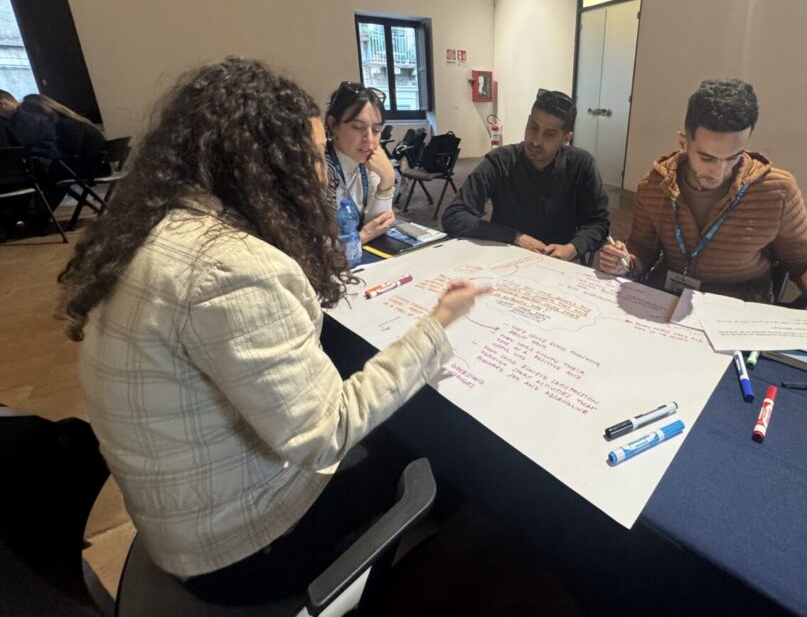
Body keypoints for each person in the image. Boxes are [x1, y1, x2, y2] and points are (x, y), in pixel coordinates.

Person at [57, 58, 489, 605]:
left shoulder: (152, 227)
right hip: (241, 554)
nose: (318, 173)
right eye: (309, 157)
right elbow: (328, 429)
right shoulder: (230, 267)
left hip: (180, 520)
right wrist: (436, 325)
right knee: (432, 453)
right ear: (265, 165)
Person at [597, 78, 807, 339]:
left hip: (737, 313)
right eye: (707, 158)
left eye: (733, 158)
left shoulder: (776, 191)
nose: (719, 172)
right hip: (666, 303)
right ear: (683, 143)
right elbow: (643, 247)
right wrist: (626, 262)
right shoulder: (654, 185)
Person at [442, 88, 610, 261]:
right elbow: (455, 216)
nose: (536, 140)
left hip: (560, 263)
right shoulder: (500, 161)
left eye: (549, 134)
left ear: (566, 138)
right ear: (528, 121)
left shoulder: (581, 164)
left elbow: (598, 223)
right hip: (504, 258)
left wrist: (572, 248)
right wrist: (515, 237)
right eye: (533, 127)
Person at [324, 81, 397, 243]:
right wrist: (363, 236)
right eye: (358, 127)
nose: (369, 139)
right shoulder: (320, 168)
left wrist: (388, 180)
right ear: (333, 125)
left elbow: (378, 225)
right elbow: (314, 247)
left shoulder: (370, 163)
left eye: (376, 130)